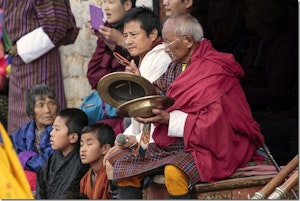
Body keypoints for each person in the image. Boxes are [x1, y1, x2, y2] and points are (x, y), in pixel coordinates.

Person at [105, 13, 265, 199]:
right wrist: (138, 82)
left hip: (208, 146)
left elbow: (216, 122)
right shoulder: (175, 66)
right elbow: (157, 95)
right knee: (122, 164)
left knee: (174, 173)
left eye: (168, 42)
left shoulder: (214, 69)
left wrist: (169, 119)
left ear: (188, 40)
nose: (165, 49)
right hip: (173, 143)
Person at [1, 0, 79, 135]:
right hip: (17, 65)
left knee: (45, 115)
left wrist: (21, 48)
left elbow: (56, 25)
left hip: (42, 63)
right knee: (20, 127)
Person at [11, 84, 58, 192]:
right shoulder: (21, 133)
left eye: (51, 103)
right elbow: (13, 160)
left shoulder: (61, 130)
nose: (47, 110)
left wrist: (24, 158)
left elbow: (48, 163)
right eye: (41, 105)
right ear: (32, 111)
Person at [35, 108, 89, 199]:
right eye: (52, 128)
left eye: (57, 129)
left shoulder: (82, 163)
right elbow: (40, 186)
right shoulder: (53, 158)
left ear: (73, 137)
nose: (51, 133)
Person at [87, 0, 137, 90]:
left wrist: (122, 41)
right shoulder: (109, 27)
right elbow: (93, 75)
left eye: (110, 2)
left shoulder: (139, 26)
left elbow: (140, 62)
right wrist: (104, 38)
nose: (106, 7)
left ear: (127, 5)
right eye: (104, 2)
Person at [79, 123, 115, 199]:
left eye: (89, 144)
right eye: (81, 144)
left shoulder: (112, 174)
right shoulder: (84, 180)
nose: (83, 149)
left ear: (105, 148)